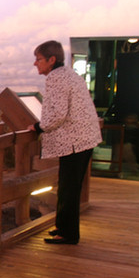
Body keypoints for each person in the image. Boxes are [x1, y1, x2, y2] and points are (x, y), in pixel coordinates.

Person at [28, 40, 102, 244]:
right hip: (84, 139)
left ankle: (68, 234)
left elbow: (58, 113)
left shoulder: (56, 78)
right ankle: (63, 227)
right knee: (69, 187)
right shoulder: (69, 74)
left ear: (51, 60)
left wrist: (38, 127)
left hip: (75, 143)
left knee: (68, 189)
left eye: (38, 59)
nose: (35, 63)